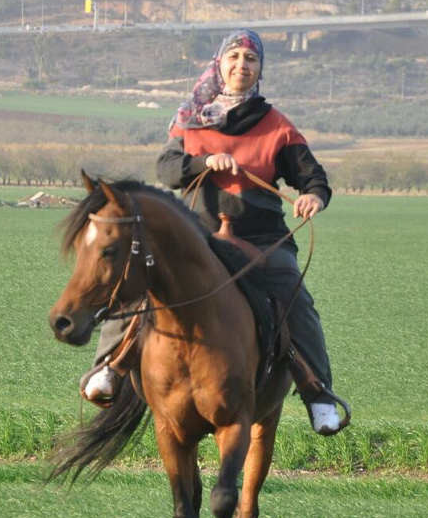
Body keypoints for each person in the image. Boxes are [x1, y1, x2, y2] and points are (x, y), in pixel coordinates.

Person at [81, 28, 347, 435]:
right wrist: (205, 162)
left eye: (251, 59)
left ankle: (318, 392)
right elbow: (167, 169)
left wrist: (314, 198)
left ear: (260, 70)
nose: (242, 65)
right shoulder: (189, 119)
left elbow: (313, 178)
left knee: (295, 295)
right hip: (198, 239)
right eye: (235, 57)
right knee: (137, 282)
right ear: (219, 65)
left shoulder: (277, 126)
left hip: (260, 240)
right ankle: (109, 368)